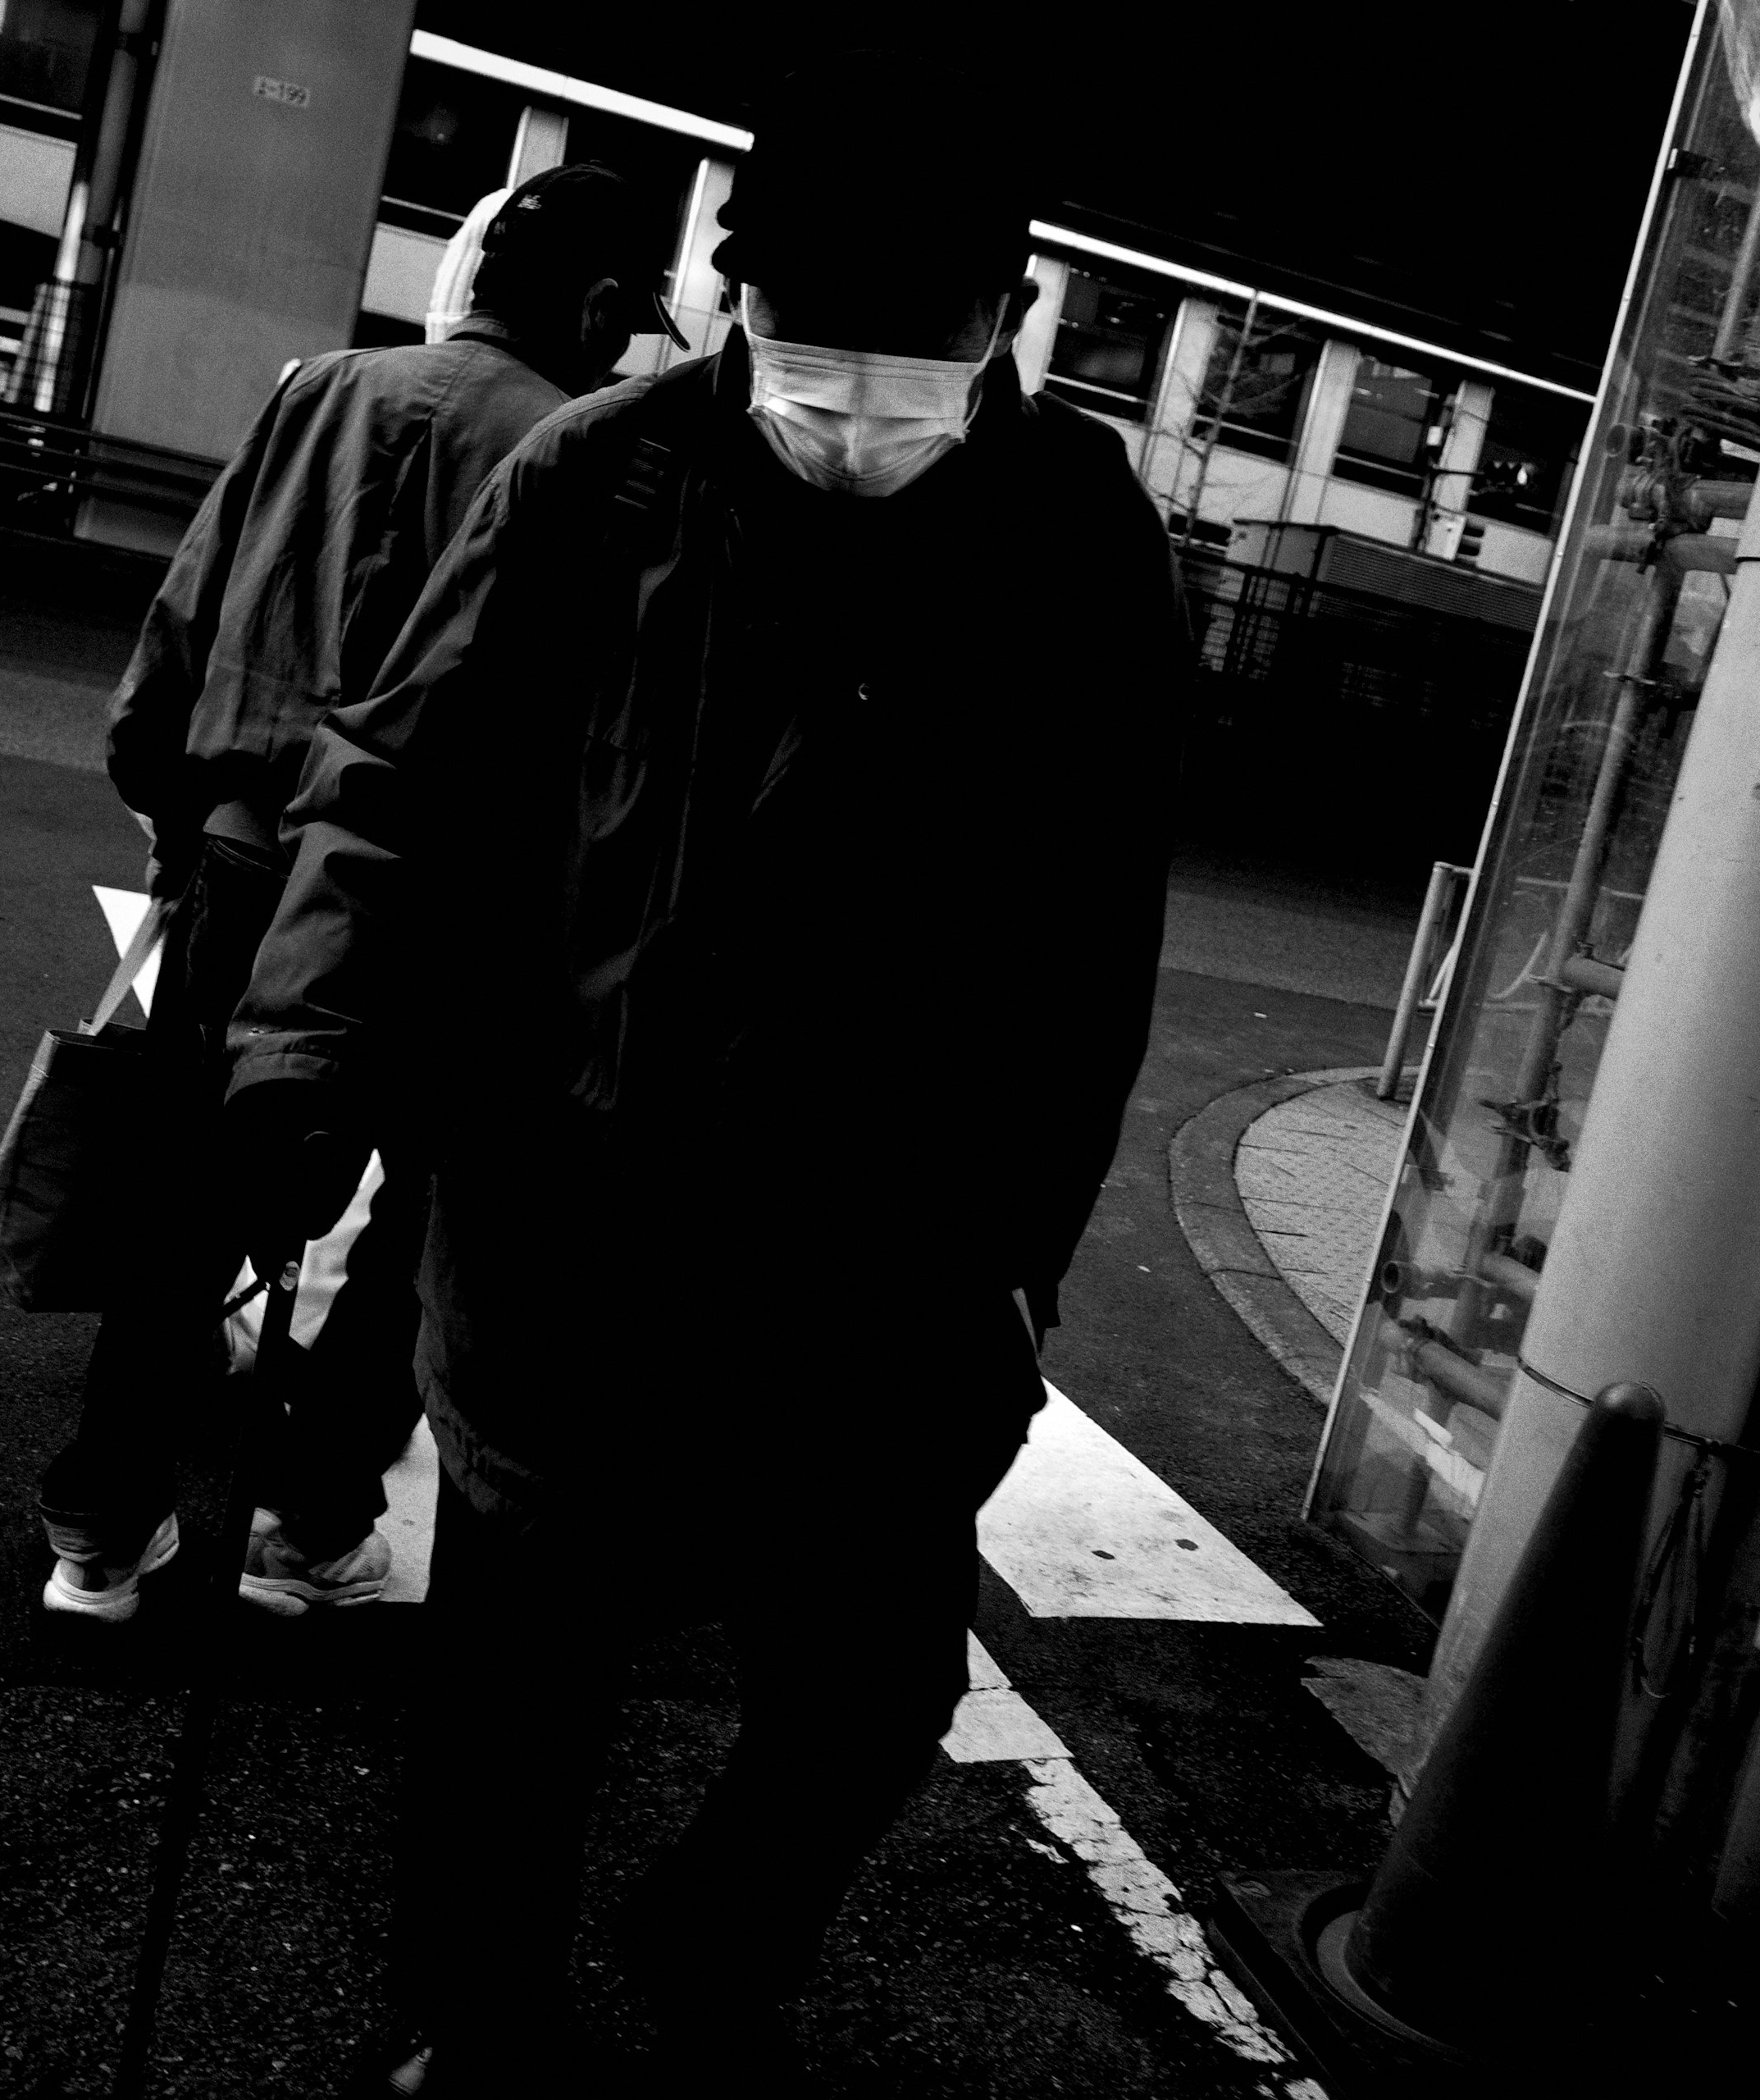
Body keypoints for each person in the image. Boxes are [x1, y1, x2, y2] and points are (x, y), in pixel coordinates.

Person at [221, 55, 1188, 2092]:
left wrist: (1023, 1250)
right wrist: (305, 1049)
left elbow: (1095, 931)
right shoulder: (603, 468)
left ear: (998, 325)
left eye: (899, 356)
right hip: (579, 1195)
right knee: (519, 1676)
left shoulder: (1075, 528)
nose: (845, 400)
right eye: (800, 344)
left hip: (892, 1244)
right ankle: (468, 2015)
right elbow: (405, 776)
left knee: (868, 1684)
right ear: (735, 298)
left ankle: (714, 1929)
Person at [40, 161, 683, 1621]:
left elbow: (186, 612)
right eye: (635, 316)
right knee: (418, 1222)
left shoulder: (317, 386)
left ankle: (101, 1533)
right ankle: (310, 1522)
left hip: (246, 856)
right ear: (597, 307)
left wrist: (170, 798)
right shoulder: (590, 455)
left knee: (190, 1186)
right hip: (457, 900)